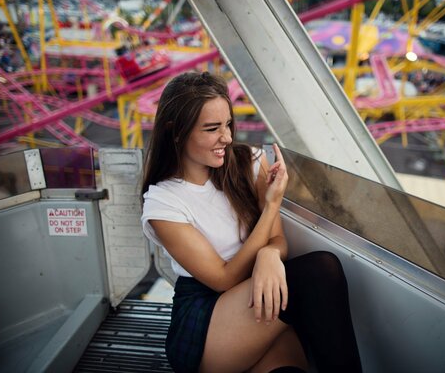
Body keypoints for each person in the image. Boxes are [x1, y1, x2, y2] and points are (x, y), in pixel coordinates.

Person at [141, 71, 362, 373]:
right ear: (176, 131)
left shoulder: (250, 162)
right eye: (212, 128)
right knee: (319, 271)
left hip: (259, 296)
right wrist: (271, 205)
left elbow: (277, 240)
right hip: (208, 321)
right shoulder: (163, 202)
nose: (227, 138)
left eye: (228, 124)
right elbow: (223, 279)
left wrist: (270, 255)